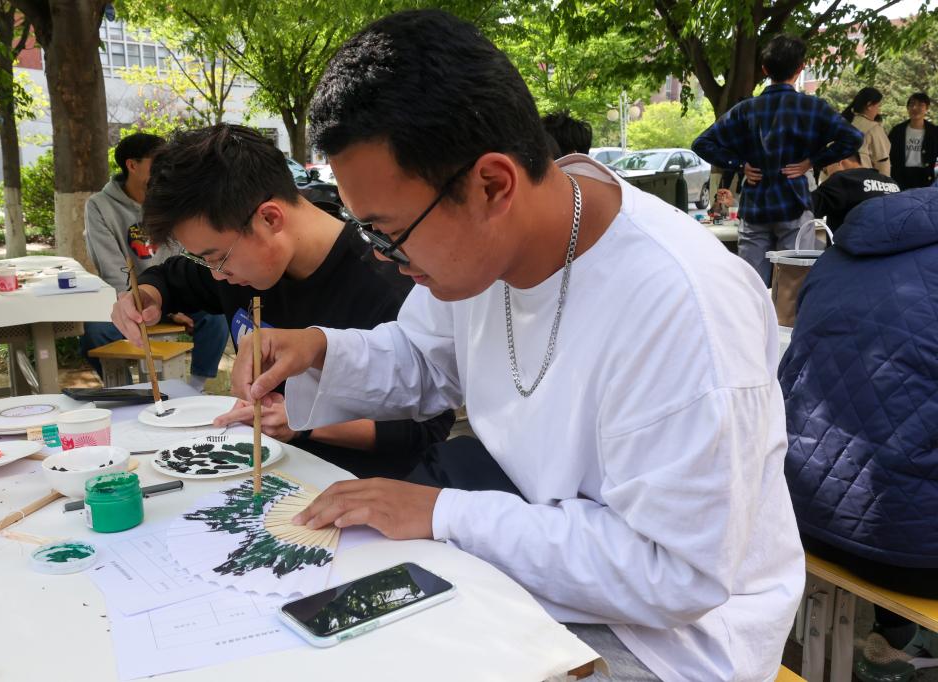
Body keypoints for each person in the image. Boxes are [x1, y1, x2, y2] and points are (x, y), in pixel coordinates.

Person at [232, 11, 804, 681]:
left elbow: (673, 573)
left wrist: (444, 513)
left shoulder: (681, 304)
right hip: (530, 555)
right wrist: (318, 349)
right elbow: (423, 358)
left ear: (493, 185)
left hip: (670, 640)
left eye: (388, 232)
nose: (384, 259)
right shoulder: (487, 250)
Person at [109, 124, 453, 480]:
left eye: (218, 258)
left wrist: (305, 424)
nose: (216, 275)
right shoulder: (240, 263)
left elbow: (426, 428)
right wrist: (145, 295)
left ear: (270, 218)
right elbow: (171, 277)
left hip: (354, 485)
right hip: (258, 472)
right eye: (204, 260)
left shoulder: (392, 283)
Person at [779, 188, 938, 676]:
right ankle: (898, 643)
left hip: (798, 516)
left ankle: (892, 639)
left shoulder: (836, 255)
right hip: (908, 555)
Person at [693, 34, 862, 286]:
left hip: (755, 206)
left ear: (764, 69)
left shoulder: (745, 109)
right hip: (794, 202)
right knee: (792, 287)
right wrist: (812, 161)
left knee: (752, 286)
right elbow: (853, 138)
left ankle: (753, 314)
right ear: (801, 67)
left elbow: (702, 143)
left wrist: (739, 165)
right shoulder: (813, 107)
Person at [83, 133, 229, 391]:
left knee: (216, 317)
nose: (166, 166)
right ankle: (124, 391)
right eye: (158, 160)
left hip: (172, 292)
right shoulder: (99, 206)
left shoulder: (170, 198)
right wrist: (139, 302)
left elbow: (185, 255)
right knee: (95, 331)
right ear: (132, 165)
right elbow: (112, 268)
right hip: (129, 296)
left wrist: (171, 301)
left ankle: (195, 388)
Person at [811, 152, 900, 232]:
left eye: (825, 169)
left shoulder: (842, 180)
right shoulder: (891, 182)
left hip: (850, 244)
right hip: (893, 243)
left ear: (839, 162)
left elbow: (807, 208)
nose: (827, 174)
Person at [888, 92, 938, 189]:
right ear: (907, 108)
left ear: (927, 108)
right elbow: (888, 153)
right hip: (900, 176)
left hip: (925, 177)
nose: (915, 108)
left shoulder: (934, 131)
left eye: (920, 105)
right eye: (912, 104)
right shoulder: (897, 130)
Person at [842, 87, 892, 176]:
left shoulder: (841, 122)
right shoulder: (872, 128)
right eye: (878, 106)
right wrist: (886, 182)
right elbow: (882, 160)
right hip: (859, 179)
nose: (879, 111)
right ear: (869, 105)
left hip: (833, 178)